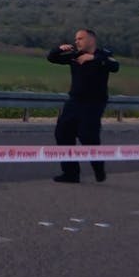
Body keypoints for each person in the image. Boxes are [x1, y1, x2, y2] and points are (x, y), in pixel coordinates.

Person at [47, 29, 119, 183]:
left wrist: (93, 58)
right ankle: (71, 174)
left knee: (87, 136)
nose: (76, 41)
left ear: (91, 40)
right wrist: (59, 49)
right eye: (75, 39)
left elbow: (115, 66)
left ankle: (98, 167)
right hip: (74, 101)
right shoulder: (74, 56)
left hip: (94, 103)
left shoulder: (103, 55)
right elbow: (52, 58)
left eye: (80, 38)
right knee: (63, 133)